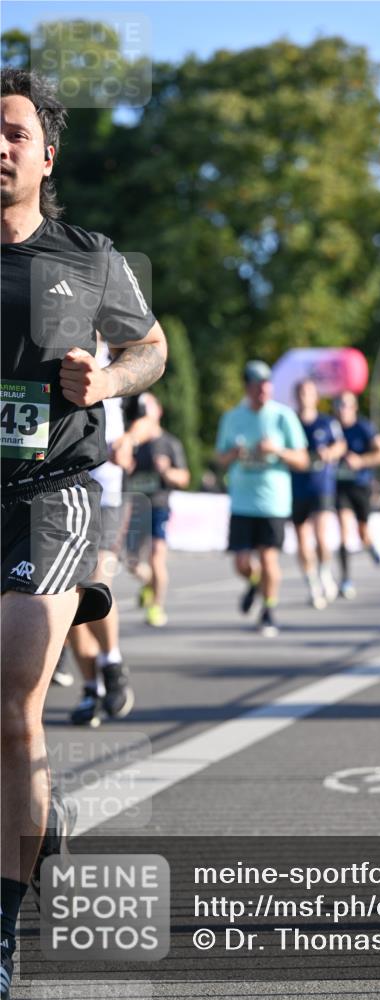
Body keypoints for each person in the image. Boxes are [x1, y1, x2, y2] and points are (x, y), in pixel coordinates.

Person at [1, 68, 167, 1000]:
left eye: (14, 132)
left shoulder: (88, 255)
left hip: (50, 491)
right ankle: (34, 813)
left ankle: (2, 925)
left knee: (13, 693)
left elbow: (153, 346)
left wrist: (103, 383)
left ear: (44, 154)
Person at [216, 361, 308, 636]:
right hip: (242, 501)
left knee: (269, 559)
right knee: (241, 563)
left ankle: (268, 610)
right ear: (247, 388)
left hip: (273, 501)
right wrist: (233, 454)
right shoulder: (232, 417)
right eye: (257, 387)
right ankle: (256, 583)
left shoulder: (283, 417)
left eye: (267, 386)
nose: (263, 391)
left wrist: (277, 450)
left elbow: (303, 460)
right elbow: (219, 458)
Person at [68, 344, 134, 726]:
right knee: (68, 594)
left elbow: (146, 414)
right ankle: (91, 688)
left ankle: (112, 663)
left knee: (95, 582)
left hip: (106, 494)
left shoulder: (119, 356)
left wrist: (130, 439)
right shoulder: (49, 349)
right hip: (61, 493)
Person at [124, 393, 190, 627]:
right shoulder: (132, 441)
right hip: (135, 507)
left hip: (159, 506)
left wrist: (166, 471)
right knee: (132, 563)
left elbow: (184, 477)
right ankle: (148, 584)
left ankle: (156, 607)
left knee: (156, 557)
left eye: (148, 407)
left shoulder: (169, 443)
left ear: (158, 411)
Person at [291, 378, 347, 608]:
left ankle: (325, 573)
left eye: (309, 392)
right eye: (302, 392)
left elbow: (341, 445)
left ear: (316, 397)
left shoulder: (326, 423)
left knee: (322, 536)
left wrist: (330, 453)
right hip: (297, 487)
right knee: (302, 541)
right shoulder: (291, 422)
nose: (305, 396)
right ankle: (312, 583)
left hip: (321, 485)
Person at [333, 391, 380, 599]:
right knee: (342, 529)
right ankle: (345, 579)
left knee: (362, 533)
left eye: (346, 405)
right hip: (338, 486)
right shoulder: (332, 429)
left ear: (354, 407)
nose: (342, 409)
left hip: (360, 485)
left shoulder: (364, 428)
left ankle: (370, 546)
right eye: (339, 404)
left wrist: (361, 461)